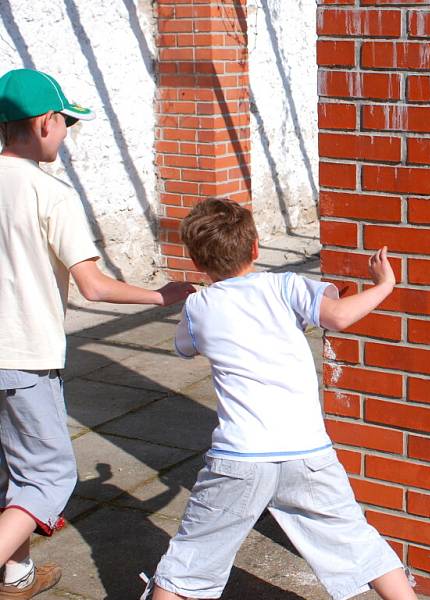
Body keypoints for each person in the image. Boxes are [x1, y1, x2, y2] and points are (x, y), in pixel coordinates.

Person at [141, 198, 416, 600]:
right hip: (309, 454)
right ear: (255, 248)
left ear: (198, 263)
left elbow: (184, 347)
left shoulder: (199, 305)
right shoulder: (286, 285)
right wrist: (384, 285)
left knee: (190, 560)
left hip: (239, 458)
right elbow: (339, 316)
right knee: (361, 544)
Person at [0, 68, 195, 599]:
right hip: (22, 357)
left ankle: (16, 577)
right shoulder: (49, 193)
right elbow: (95, 288)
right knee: (48, 478)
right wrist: (164, 295)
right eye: (66, 123)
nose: (66, 134)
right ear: (43, 124)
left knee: (12, 473)